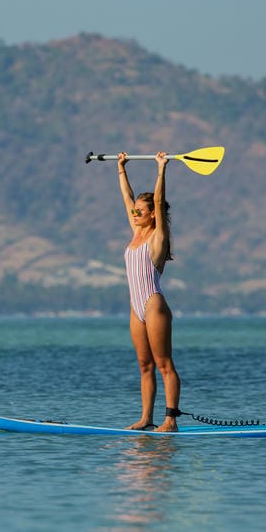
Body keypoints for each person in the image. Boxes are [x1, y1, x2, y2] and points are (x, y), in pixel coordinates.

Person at [117, 151, 181, 432]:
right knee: (144, 365)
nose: (135, 213)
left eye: (140, 211)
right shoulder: (136, 231)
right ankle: (146, 419)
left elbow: (156, 200)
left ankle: (170, 420)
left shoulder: (158, 236)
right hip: (135, 307)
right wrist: (121, 169)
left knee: (164, 364)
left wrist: (161, 169)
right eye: (135, 212)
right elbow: (127, 199)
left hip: (153, 305)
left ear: (152, 213)